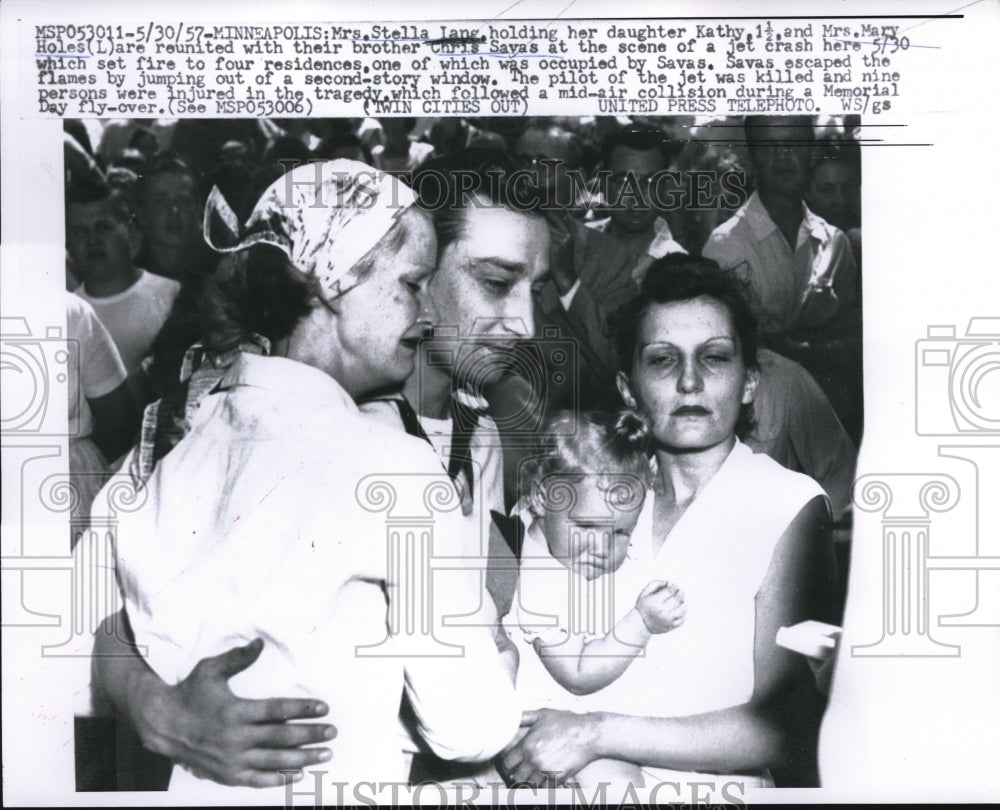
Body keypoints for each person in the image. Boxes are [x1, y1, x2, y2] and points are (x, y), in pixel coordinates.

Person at [88, 160, 521, 795]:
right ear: (333, 281)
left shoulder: (183, 440)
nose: (428, 313)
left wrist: (155, 707)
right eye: (413, 283)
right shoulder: (397, 467)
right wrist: (501, 659)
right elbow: (468, 726)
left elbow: (77, 620)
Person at [499, 257, 838, 794]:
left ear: (749, 381)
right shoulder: (587, 486)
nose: (689, 381)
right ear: (629, 389)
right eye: (661, 361)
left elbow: (784, 727)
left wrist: (597, 733)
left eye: (715, 358)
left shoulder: (788, 503)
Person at [503, 409, 686, 788]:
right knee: (621, 785)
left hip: (577, 721)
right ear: (540, 497)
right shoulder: (536, 579)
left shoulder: (557, 534)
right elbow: (578, 674)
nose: (602, 548)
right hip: (539, 730)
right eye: (587, 526)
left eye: (620, 533)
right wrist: (642, 622)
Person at [66, 180, 181, 373]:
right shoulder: (68, 315)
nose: (93, 240)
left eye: (103, 227)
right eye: (80, 233)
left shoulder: (172, 295)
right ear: (67, 244)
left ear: (128, 228)